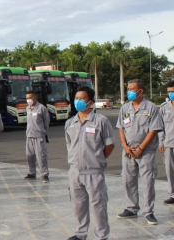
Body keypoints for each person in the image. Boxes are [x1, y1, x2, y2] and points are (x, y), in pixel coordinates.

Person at [65, 86, 115, 240]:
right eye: (76, 98)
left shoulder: (101, 121)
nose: (78, 101)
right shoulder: (70, 123)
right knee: (78, 205)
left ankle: (101, 235)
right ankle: (80, 233)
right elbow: (69, 144)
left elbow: (110, 144)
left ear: (91, 102)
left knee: (98, 206)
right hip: (75, 171)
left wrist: (97, 159)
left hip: (93, 171)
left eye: (82, 98)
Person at [116, 79, 162, 225]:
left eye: (132, 89)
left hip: (145, 150)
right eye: (128, 89)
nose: (129, 91)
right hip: (128, 151)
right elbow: (121, 128)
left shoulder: (151, 108)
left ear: (140, 91)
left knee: (148, 181)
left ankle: (148, 212)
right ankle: (131, 208)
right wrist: (125, 146)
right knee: (128, 180)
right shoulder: (125, 108)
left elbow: (154, 129)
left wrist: (141, 148)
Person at [159, 81, 174, 204]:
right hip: (168, 144)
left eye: (173, 91)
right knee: (170, 171)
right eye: (169, 92)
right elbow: (160, 127)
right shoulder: (164, 107)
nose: (170, 94)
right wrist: (161, 142)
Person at [23, 90, 51, 182]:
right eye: (27, 98)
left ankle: (45, 174)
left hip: (39, 136)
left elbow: (46, 122)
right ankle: (32, 173)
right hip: (29, 136)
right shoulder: (28, 108)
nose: (28, 100)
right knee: (29, 156)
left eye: (30, 98)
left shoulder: (41, 108)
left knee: (41, 156)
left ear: (34, 97)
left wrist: (43, 132)